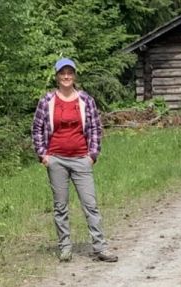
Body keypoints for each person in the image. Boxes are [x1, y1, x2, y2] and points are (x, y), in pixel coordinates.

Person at [31, 57, 118, 263]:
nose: (66, 76)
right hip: (56, 159)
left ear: (75, 76)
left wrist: (92, 155)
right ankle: (65, 247)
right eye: (63, 73)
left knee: (90, 204)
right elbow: (37, 128)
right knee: (60, 206)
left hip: (81, 158)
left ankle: (100, 247)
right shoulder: (47, 101)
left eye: (70, 73)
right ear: (57, 76)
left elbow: (95, 127)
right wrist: (43, 155)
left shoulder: (86, 100)